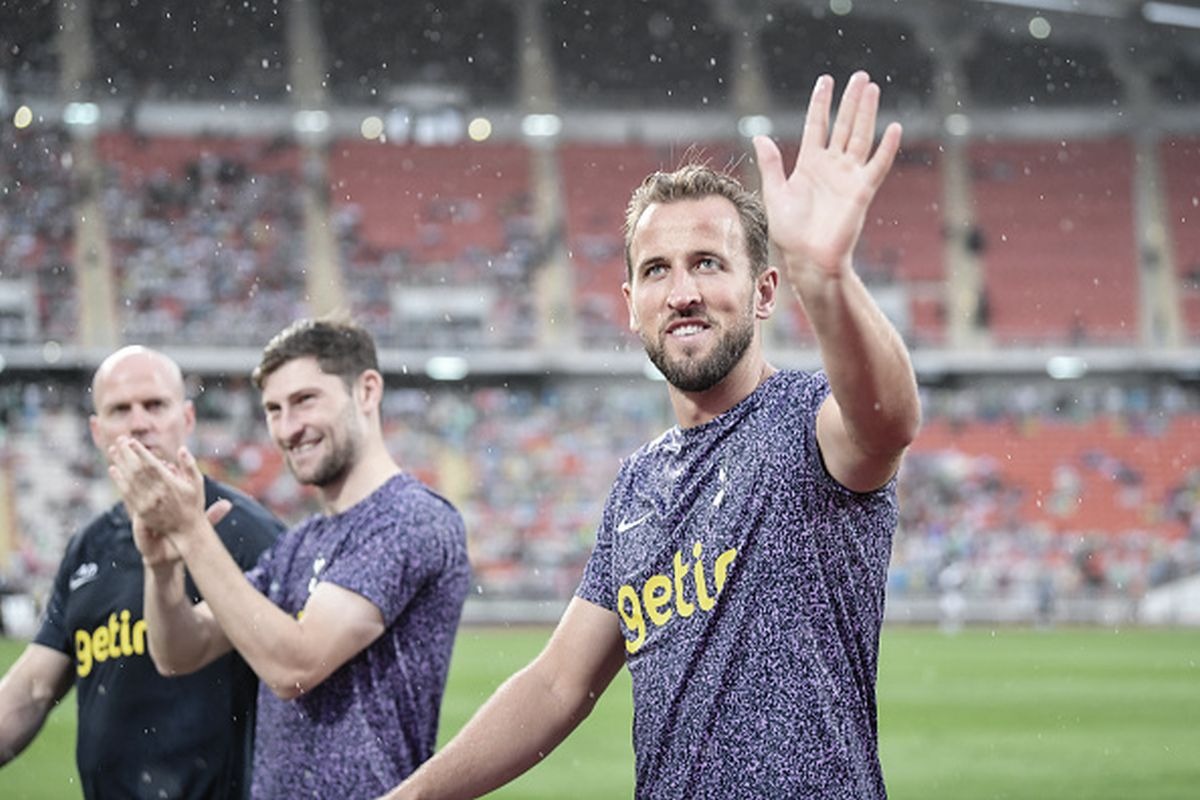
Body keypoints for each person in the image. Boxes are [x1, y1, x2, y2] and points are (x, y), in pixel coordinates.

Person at [379, 70, 922, 800]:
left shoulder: (806, 419)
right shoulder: (640, 483)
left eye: (707, 263)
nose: (684, 292)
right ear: (633, 307)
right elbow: (557, 685)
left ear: (764, 291)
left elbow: (888, 420)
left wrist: (826, 278)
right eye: (658, 271)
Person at [107, 317, 471, 798]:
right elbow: (180, 652)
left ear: (366, 391)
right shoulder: (299, 543)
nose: (287, 428)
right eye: (273, 410)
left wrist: (192, 532)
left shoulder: (411, 518)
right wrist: (162, 568)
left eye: (304, 401)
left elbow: (294, 666)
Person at [0, 346, 283, 799]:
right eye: (119, 409)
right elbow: (34, 686)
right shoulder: (88, 546)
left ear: (187, 419)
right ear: (97, 431)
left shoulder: (249, 532)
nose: (138, 421)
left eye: (155, 405)